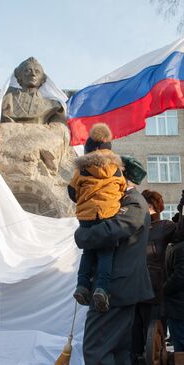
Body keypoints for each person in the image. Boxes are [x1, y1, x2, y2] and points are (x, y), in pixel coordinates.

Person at [74, 156, 154, 365]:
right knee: (117, 351)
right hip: (118, 288)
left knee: (96, 350)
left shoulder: (134, 202)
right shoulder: (121, 201)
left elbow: (112, 230)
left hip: (116, 289)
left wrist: (80, 235)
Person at [131, 190, 184, 364]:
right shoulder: (133, 226)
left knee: (153, 341)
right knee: (133, 342)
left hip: (153, 292)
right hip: (131, 291)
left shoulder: (163, 226)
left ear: (150, 207)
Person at [69, 123, 126, 312]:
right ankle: (102, 289)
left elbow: (72, 191)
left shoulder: (82, 170)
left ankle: (82, 286)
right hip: (108, 215)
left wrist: (84, 199)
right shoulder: (117, 170)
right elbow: (122, 190)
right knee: (106, 253)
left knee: (88, 251)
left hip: (86, 217)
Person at [1, 57, 66, 125]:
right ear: (19, 76)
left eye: (37, 72)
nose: (33, 74)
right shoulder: (7, 99)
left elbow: (60, 129)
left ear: (42, 79)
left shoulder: (54, 106)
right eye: (27, 71)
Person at [163, 238, 184, 352]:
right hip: (179, 302)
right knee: (181, 341)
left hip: (181, 302)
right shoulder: (177, 246)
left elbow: (181, 275)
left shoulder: (183, 247)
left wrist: (164, 288)